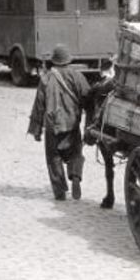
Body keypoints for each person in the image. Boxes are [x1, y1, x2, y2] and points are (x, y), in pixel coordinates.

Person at [28, 44, 93, 201]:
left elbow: (39, 106)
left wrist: (36, 130)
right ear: (68, 60)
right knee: (75, 152)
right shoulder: (77, 76)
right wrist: (89, 124)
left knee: (54, 157)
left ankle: (60, 191)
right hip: (72, 123)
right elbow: (88, 98)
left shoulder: (46, 78)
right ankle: (75, 175)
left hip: (53, 125)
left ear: (54, 61)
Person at [84, 59, 118, 209]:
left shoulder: (98, 88)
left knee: (109, 164)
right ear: (112, 70)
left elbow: (87, 104)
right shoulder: (115, 85)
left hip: (106, 128)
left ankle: (110, 195)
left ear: (101, 71)